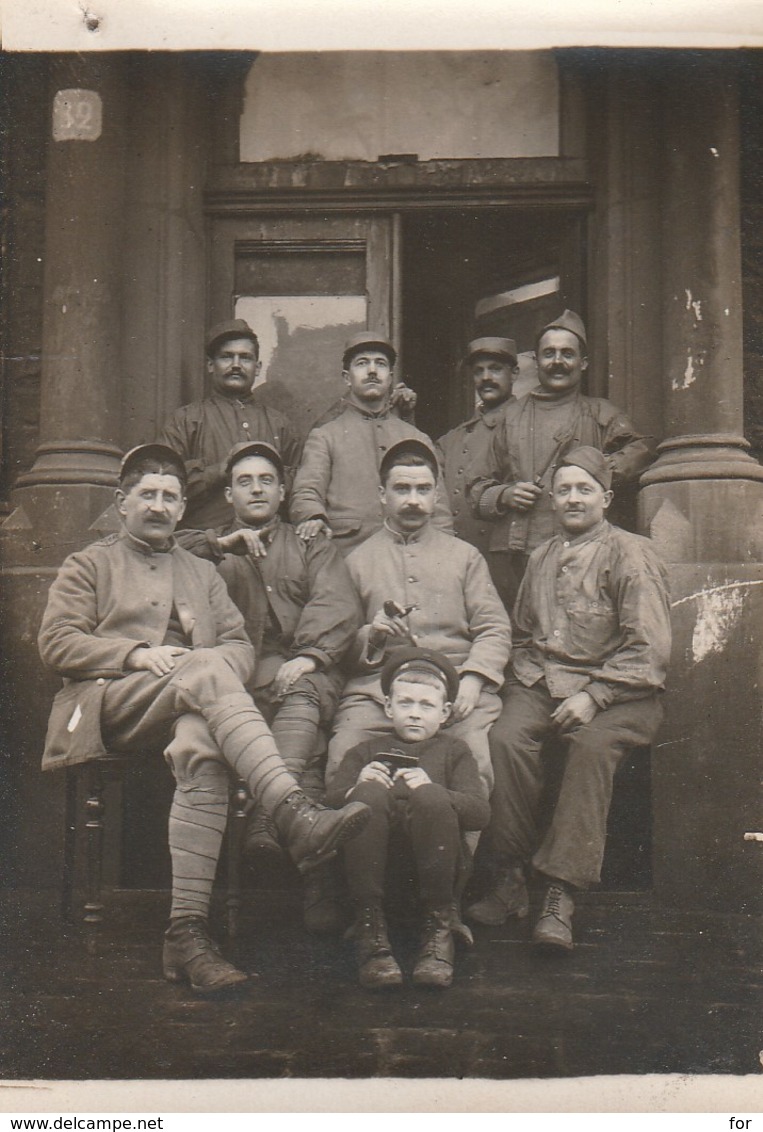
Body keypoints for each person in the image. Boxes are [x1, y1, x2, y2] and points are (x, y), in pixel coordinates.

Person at [38, 444, 370, 993]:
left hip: (183, 702)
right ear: (122, 504)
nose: (159, 506)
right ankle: (291, 812)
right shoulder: (90, 563)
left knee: (207, 749)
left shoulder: (201, 571)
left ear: (182, 508)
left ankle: (186, 935)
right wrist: (135, 654)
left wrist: (208, 664)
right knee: (207, 672)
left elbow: (239, 643)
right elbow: (56, 642)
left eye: (171, 497)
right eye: (147, 495)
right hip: (107, 703)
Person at [466, 446, 671, 951]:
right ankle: (510, 877)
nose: (573, 499)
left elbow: (649, 650)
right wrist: (529, 680)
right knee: (506, 737)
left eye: (584, 489)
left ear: (605, 497)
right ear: (552, 500)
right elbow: (522, 635)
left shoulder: (631, 552)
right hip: (545, 682)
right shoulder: (541, 556)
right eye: (564, 490)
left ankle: (560, 893)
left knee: (589, 749)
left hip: (624, 691)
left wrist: (595, 694)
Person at [177, 440, 362, 931]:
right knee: (312, 747)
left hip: (310, 667)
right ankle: (316, 882)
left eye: (265, 481)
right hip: (241, 674)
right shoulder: (212, 545)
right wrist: (221, 546)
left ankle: (265, 814)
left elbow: (337, 603)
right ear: (229, 495)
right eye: (244, 481)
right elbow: (171, 551)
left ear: (282, 492)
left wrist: (306, 656)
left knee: (303, 697)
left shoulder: (311, 542)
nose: (256, 489)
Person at [326, 437, 511, 802]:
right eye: (402, 489)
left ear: (436, 495)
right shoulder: (356, 562)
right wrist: (373, 635)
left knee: (474, 763)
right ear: (382, 494)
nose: (413, 500)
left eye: (423, 489)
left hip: (455, 689)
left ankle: (459, 857)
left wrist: (473, 680)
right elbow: (339, 643)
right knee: (345, 752)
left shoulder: (465, 557)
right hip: (378, 693)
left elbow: (494, 627)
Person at [326, 648, 490, 990]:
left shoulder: (454, 753)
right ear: (388, 707)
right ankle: (371, 933)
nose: (415, 714)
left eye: (426, 705)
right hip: (376, 878)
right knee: (367, 795)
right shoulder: (364, 752)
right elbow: (329, 804)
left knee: (430, 796)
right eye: (405, 703)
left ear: (445, 712)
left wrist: (439, 793)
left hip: (435, 879)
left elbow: (480, 813)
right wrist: (357, 787)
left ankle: (438, 933)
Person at [468, 310, 652, 612]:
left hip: (584, 552)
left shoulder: (600, 413)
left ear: (583, 363)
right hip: (518, 555)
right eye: (548, 353)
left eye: (567, 354)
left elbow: (642, 450)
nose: (557, 362)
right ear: (536, 361)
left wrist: (594, 473)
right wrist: (505, 494)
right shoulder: (509, 418)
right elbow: (475, 489)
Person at [289, 331, 453, 555]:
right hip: (347, 555)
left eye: (381, 364)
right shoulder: (326, 436)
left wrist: (444, 555)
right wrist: (313, 517)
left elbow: (439, 508)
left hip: (410, 557)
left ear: (390, 376)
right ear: (347, 377)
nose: (373, 371)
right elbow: (307, 491)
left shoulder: (417, 438)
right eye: (362, 363)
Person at [158, 319, 302, 529]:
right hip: (205, 546)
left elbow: (301, 485)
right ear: (210, 365)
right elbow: (162, 483)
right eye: (226, 357)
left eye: (245, 358)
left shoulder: (280, 425)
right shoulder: (186, 420)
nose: (236, 365)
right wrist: (219, 471)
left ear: (258, 367)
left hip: (268, 545)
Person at [435, 336, 518, 556]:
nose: (486, 377)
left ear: (514, 374)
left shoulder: (526, 426)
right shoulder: (452, 439)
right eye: (479, 371)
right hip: (455, 559)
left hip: (503, 560)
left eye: (495, 369)